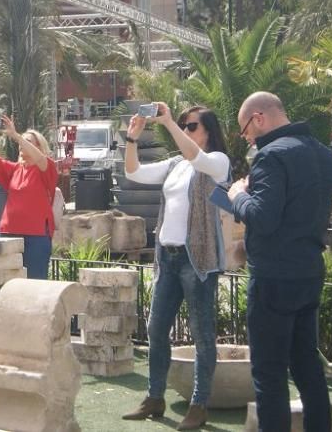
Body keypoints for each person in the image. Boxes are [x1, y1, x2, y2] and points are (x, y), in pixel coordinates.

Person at [227, 92, 332, 432]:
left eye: (245, 129)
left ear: (258, 117)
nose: (247, 138)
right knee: (307, 365)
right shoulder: (325, 155)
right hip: (309, 270)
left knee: (269, 373)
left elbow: (263, 217)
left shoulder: (271, 156)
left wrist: (238, 196)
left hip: (274, 277)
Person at [121, 103, 230, 431]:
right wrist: (131, 139)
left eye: (191, 125)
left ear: (208, 130)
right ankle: (155, 397)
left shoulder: (218, 162)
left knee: (201, 335)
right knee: (156, 330)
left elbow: (198, 157)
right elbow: (133, 173)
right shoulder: (175, 164)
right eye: (183, 124)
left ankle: (199, 404)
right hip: (167, 259)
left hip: (197, 260)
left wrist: (168, 122)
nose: (185, 128)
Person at [0, 116, 59, 279]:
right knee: (8, 283)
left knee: (34, 283)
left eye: (28, 141)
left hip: (36, 236)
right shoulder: (14, 169)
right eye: (22, 142)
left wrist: (16, 135)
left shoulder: (46, 168)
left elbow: (41, 160)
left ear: (38, 147)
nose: (21, 144)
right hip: (9, 232)